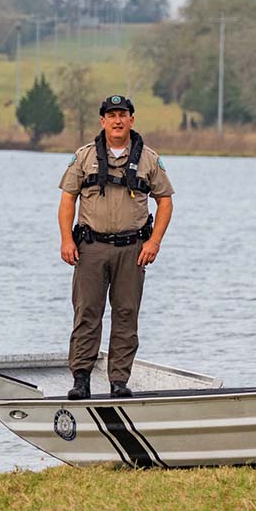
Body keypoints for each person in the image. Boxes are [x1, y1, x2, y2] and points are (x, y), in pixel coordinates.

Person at [57, 95, 174, 399]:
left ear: (132, 120)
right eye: (112, 115)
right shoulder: (83, 157)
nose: (118, 120)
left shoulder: (149, 159)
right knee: (86, 313)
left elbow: (165, 201)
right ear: (103, 121)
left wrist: (155, 242)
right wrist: (66, 240)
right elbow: (68, 199)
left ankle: (119, 382)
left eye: (123, 115)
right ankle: (80, 380)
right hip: (90, 248)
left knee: (126, 314)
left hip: (132, 250)